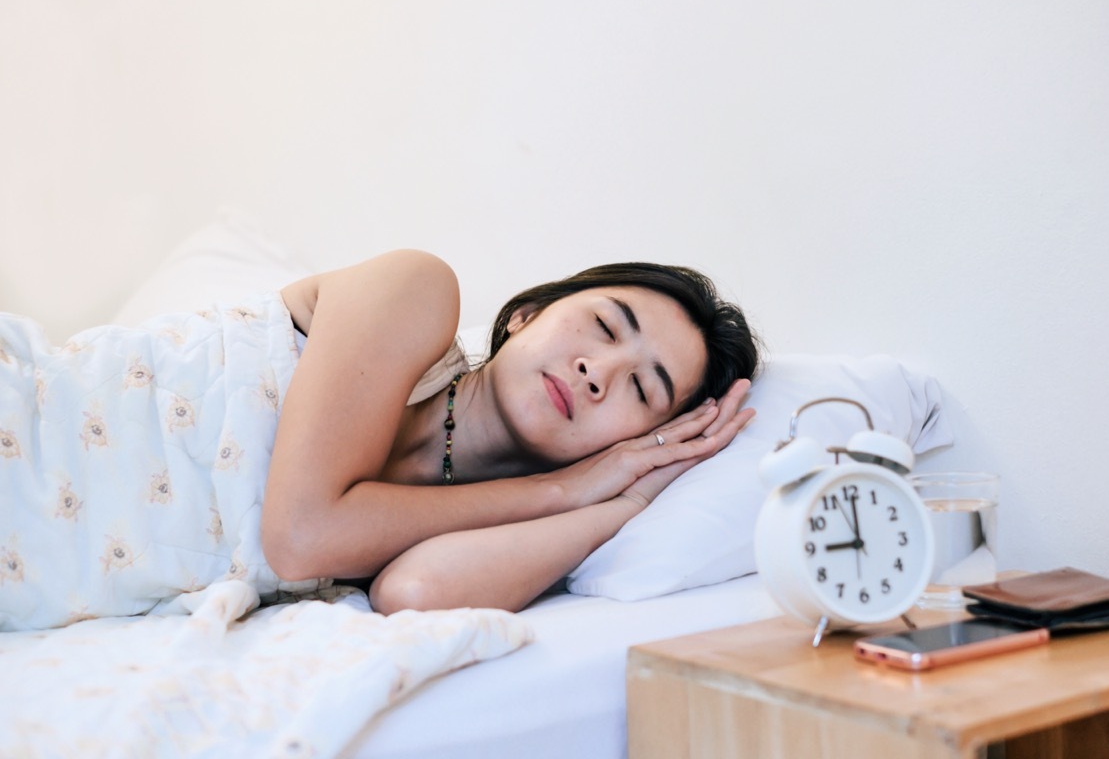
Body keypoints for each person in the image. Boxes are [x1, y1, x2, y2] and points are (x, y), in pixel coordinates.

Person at [0, 250, 758, 630]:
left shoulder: (491, 518)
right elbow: (302, 537)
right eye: (603, 326)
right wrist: (568, 486)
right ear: (527, 313)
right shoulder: (415, 294)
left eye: (643, 390)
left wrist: (624, 500)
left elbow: (416, 593)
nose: (602, 371)